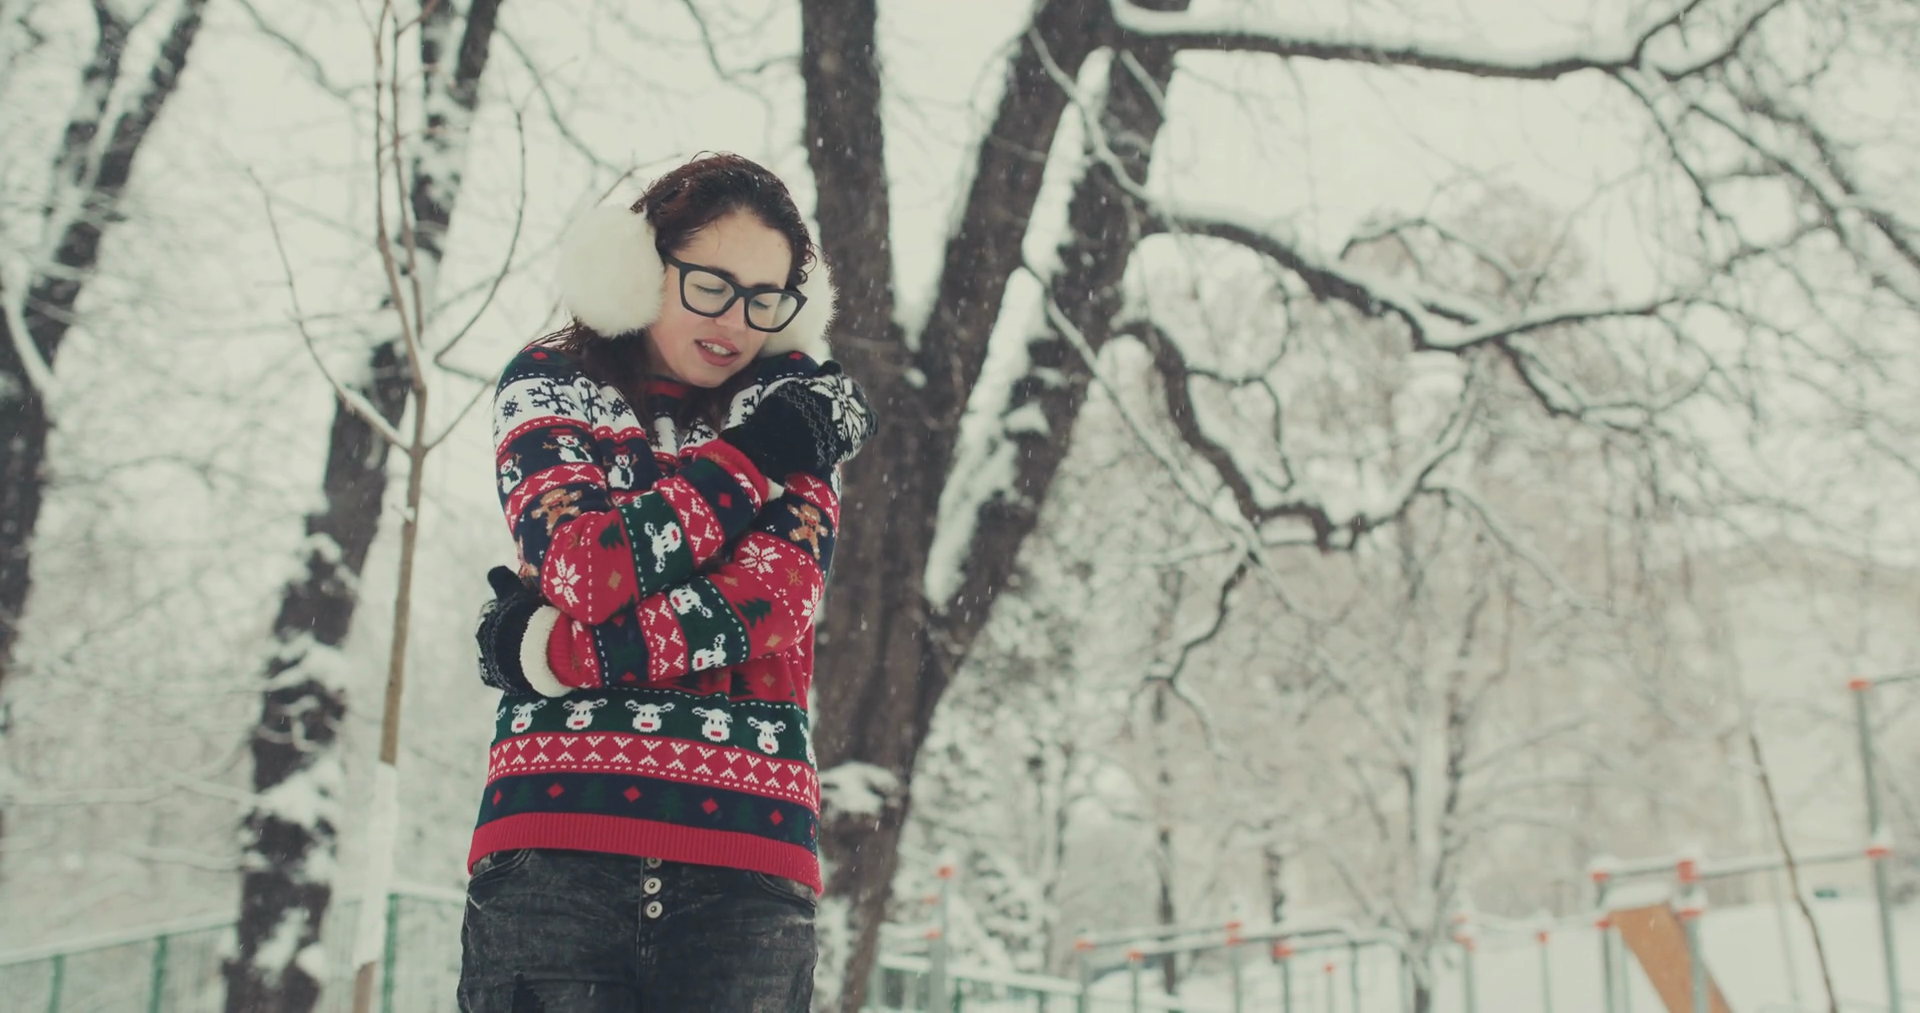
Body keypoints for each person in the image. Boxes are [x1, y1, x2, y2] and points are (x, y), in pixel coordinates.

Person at [458, 153, 874, 1013]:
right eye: (711, 286)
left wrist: (556, 653)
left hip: (746, 867)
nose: (736, 322)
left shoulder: (802, 403)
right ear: (645, 266)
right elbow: (586, 565)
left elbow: (773, 602)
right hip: (553, 850)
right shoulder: (551, 381)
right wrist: (754, 459)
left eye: (765, 298)